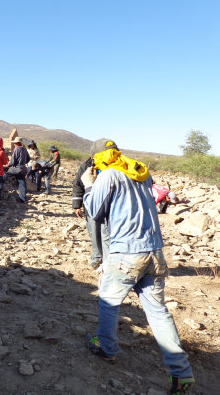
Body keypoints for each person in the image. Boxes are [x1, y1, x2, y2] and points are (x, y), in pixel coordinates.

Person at [82, 138, 194, 395]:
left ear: (99, 158)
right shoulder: (142, 172)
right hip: (154, 251)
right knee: (157, 312)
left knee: (109, 303)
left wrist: (89, 186)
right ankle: (182, 375)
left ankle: (107, 349)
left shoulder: (108, 175)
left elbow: (94, 211)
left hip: (127, 254)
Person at [72, 149, 110, 269]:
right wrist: (77, 205)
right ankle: (97, 257)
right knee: (94, 232)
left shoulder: (112, 167)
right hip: (91, 206)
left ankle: (108, 261)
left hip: (108, 207)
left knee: (108, 234)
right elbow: (78, 184)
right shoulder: (86, 166)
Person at [7, 136, 30, 203]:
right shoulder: (24, 149)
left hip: (17, 168)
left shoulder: (17, 149)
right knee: (22, 182)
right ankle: (22, 199)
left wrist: (8, 165)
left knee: (5, 174)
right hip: (23, 168)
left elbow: (13, 160)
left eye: (14, 143)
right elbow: (28, 159)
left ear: (17, 143)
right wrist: (23, 162)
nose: (14, 144)